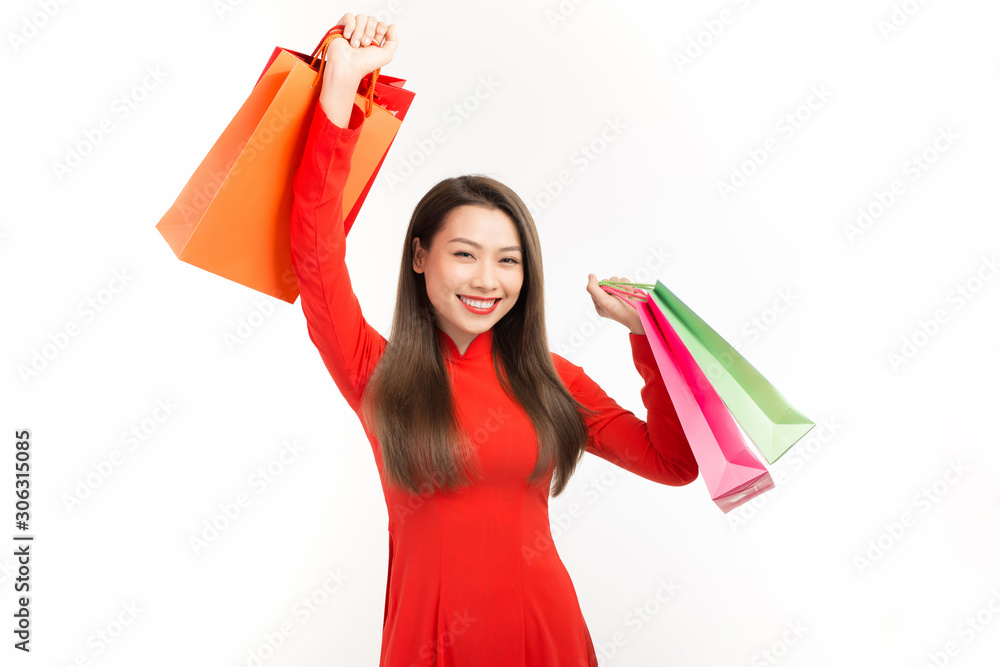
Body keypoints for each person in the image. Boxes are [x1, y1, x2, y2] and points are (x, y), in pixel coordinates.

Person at [289, 12, 699, 666]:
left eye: (508, 260)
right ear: (420, 257)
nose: (488, 279)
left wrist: (646, 337)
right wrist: (340, 90)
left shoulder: (551, 380)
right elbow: (314, 253)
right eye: (465, 254)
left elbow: (674, 463)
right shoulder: (377, 373)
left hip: (547, 639)